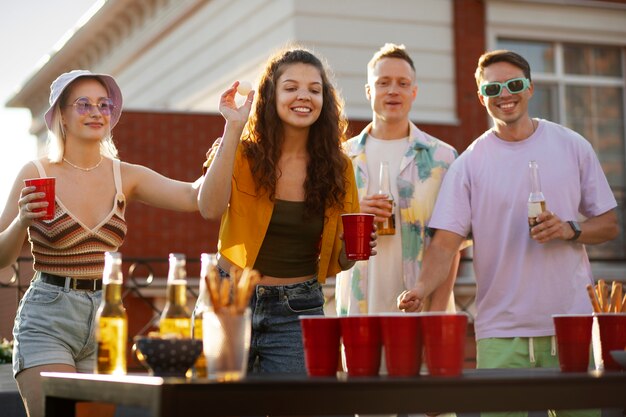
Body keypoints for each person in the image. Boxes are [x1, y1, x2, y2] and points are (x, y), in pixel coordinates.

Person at [398, 50, 619, 417]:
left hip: (570, 324)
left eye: (514, 84)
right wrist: (420, 289)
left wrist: (570, 229)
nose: (505, 94)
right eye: (493, 88)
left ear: (530, 89)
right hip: (500, 330)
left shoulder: (572, 145)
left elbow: (609, 224)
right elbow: (446, 243)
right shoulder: (469, 163)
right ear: (482, 96)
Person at [2, 70, 202, 417]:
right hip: (48, 317)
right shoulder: (36, 172)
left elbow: (192, 196)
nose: (96, 112)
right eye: (84, 104)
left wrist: (230, 137)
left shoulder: (124, 174)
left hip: (105, 317)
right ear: (61, 115)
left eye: (104, 105)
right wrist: (22, 221)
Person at [197, 46, 373, 374]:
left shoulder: (338, 167)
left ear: (325, 101)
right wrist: (233, 128)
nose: (303, 96)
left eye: (314, 89)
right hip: (229, 301)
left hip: (299, 309)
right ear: (271, 96)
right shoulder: (241, 153)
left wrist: (355, 251)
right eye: (291, 87)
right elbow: (208, 208)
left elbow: (342, 259)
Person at [336, 43, 462, 317]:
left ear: (413, 92)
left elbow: (452, 245)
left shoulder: (443, 158)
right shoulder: (340, 159)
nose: (393, 90)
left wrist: (436, 314)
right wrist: (353, 212)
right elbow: (320, 234)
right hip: (358, 312)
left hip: (424, 313)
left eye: (402, 83)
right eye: (383, 83)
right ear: (369, 91)